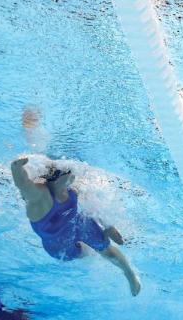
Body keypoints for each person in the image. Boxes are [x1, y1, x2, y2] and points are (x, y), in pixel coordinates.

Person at [10, 108, 142, 296]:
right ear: (57, 178)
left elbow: (92, 203)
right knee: (83, 256)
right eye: (70, 174)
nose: (74, 176)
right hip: (57, 241)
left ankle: (130, 274)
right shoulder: (41, 197)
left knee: (106, 249)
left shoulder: (71, 187)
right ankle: (89, 256)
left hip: (76, 222)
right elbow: (23, 185)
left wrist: (108, 226)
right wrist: (16, 167)